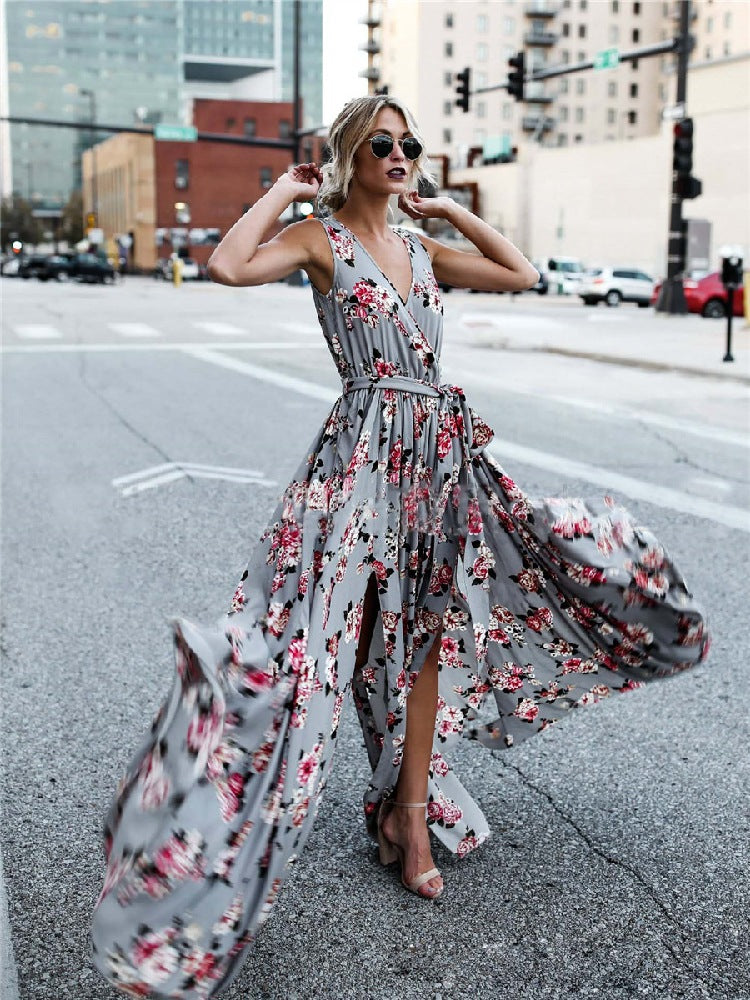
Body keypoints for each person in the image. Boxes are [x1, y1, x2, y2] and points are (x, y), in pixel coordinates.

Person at [90, 95, 710, 999]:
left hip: (437, 457)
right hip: (359, 463)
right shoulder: (320, 239)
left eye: (410, 144)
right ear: (349, 154)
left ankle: (408, 821)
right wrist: (289, 190)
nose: (400, 154)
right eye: (382, 143)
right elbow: (225, 266)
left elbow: (523, 273)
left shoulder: (420, 250)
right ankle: (224, 840)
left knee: (423, 640)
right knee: (316, 647)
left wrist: (450, 207)